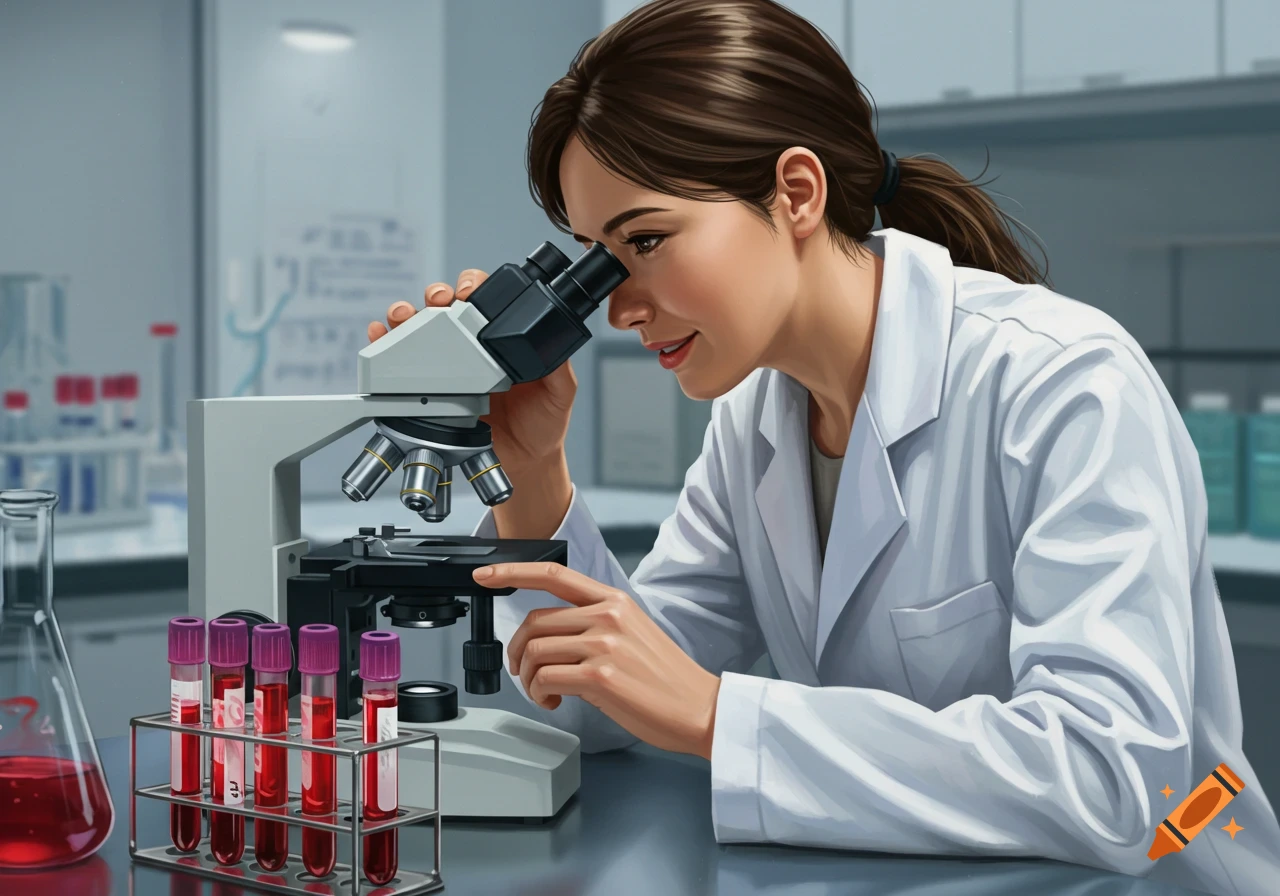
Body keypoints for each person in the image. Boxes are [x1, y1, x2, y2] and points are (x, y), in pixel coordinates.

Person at [367, 1, 1280, 893]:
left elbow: (1115, 779)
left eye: (644, 241)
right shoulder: (757, 418)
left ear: (795, 193)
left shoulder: (1064, 382)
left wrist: (726, 718)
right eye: (593, 257)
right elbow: (622, 700)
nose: (616, 308)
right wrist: (530, 476)